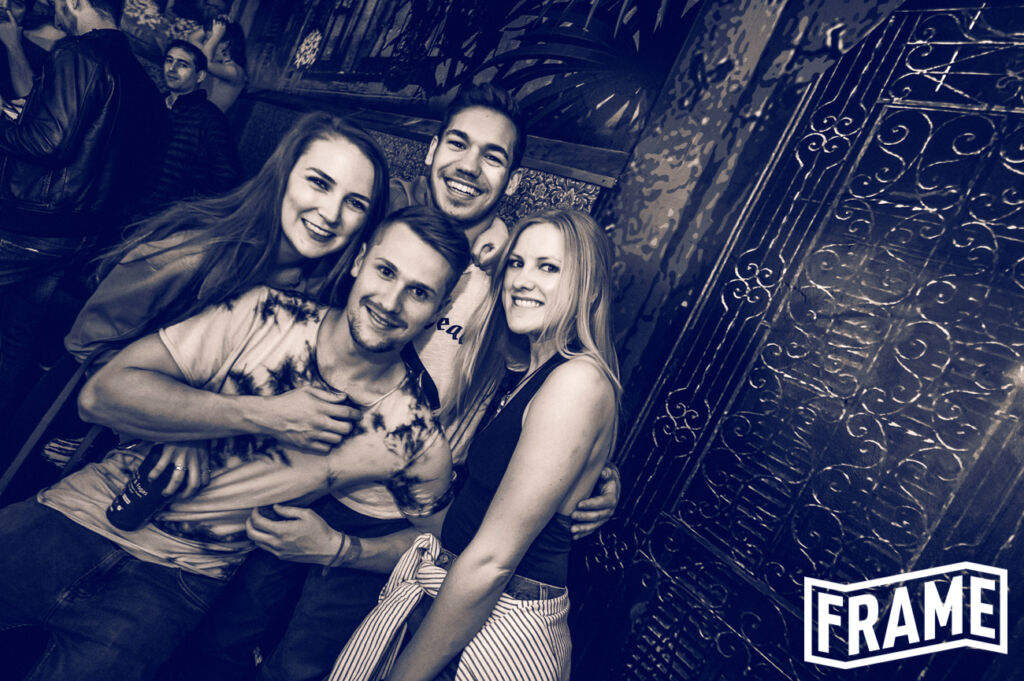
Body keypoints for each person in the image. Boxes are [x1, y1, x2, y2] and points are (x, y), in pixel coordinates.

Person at [167, 84, 620, 681]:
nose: (469, 167)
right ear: (431, 150)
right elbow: (262, 324)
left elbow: (549, 400)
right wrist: (193, 420)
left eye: (493, 157)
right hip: (290, 466)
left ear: (512, 181)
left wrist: (592, 474)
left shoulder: (509, 288)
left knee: (304, 663)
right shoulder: (366, 227)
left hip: (395, 514)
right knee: (219, 637)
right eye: (457, 144)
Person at [0, 206, 470, 681]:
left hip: (175, 581)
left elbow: (441, 548)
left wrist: (337, 548)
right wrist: (263, 415)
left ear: (441, 310)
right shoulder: (264, 313)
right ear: (359, 261)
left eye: (419, 292)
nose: (390, 302)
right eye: (385, 271)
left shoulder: (410, 433)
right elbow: (100, 395)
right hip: (78, 512)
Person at [14, 111, 385, 487]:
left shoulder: (325, 297)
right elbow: (89, 344)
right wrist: (181, 423)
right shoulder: (190, 256)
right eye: (319, 183)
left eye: (356, 203)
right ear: (283, 175)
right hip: (74, 423)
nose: (331, 213)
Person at [331, 208, 619, 680]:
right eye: (517, 263)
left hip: (499, 622)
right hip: (463, 606)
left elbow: (492, 562)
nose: (522, 280)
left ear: (588, 288)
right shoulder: (532, 371)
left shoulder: (577, 382)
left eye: (548, 267)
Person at [0, 0, 164, 414]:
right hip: (77, 236)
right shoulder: (142, 81)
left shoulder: (76, 52)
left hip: (29, 227)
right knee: (16, 338)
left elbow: (48, 142)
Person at [141, 38, 241, 216]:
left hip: (164, 217)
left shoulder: (210, 118)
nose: (172, 69)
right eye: (169, 60)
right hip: (129, 207)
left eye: (183, 65)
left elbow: (227, 177)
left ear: (200, 76)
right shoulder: (152, 104)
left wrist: (186, 210)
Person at [190, 13, 245, 112]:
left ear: (226, 44)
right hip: (194, 114)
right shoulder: (213, 59)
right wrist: (215, 22)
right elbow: (192, 39)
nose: (206, 44)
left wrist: (216, 35)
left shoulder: (234, 71)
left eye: (210, 40)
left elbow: (205, 62)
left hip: (206, 119)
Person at [0, 0, 48, 103]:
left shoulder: (41, 57)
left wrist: (12, 46)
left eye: (17, 3)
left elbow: (30, 99)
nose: (4, 6)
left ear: (26, 13)